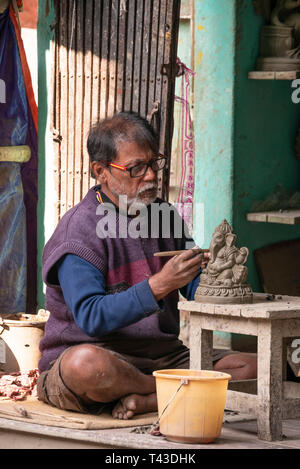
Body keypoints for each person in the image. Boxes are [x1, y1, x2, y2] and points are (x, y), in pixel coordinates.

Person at [37, 112, 257, 420]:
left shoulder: (162, 215)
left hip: (164, 356)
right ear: (101, 171)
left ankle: (151, 398)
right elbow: (90, 316)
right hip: (100, 354)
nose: (151, 176)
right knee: (84, 367)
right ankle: (166, 392)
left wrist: (214, 273)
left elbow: (195, 287)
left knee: (256, 367)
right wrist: (161, 284)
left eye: (154, 163)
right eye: (136, 168)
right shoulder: (80, 231)